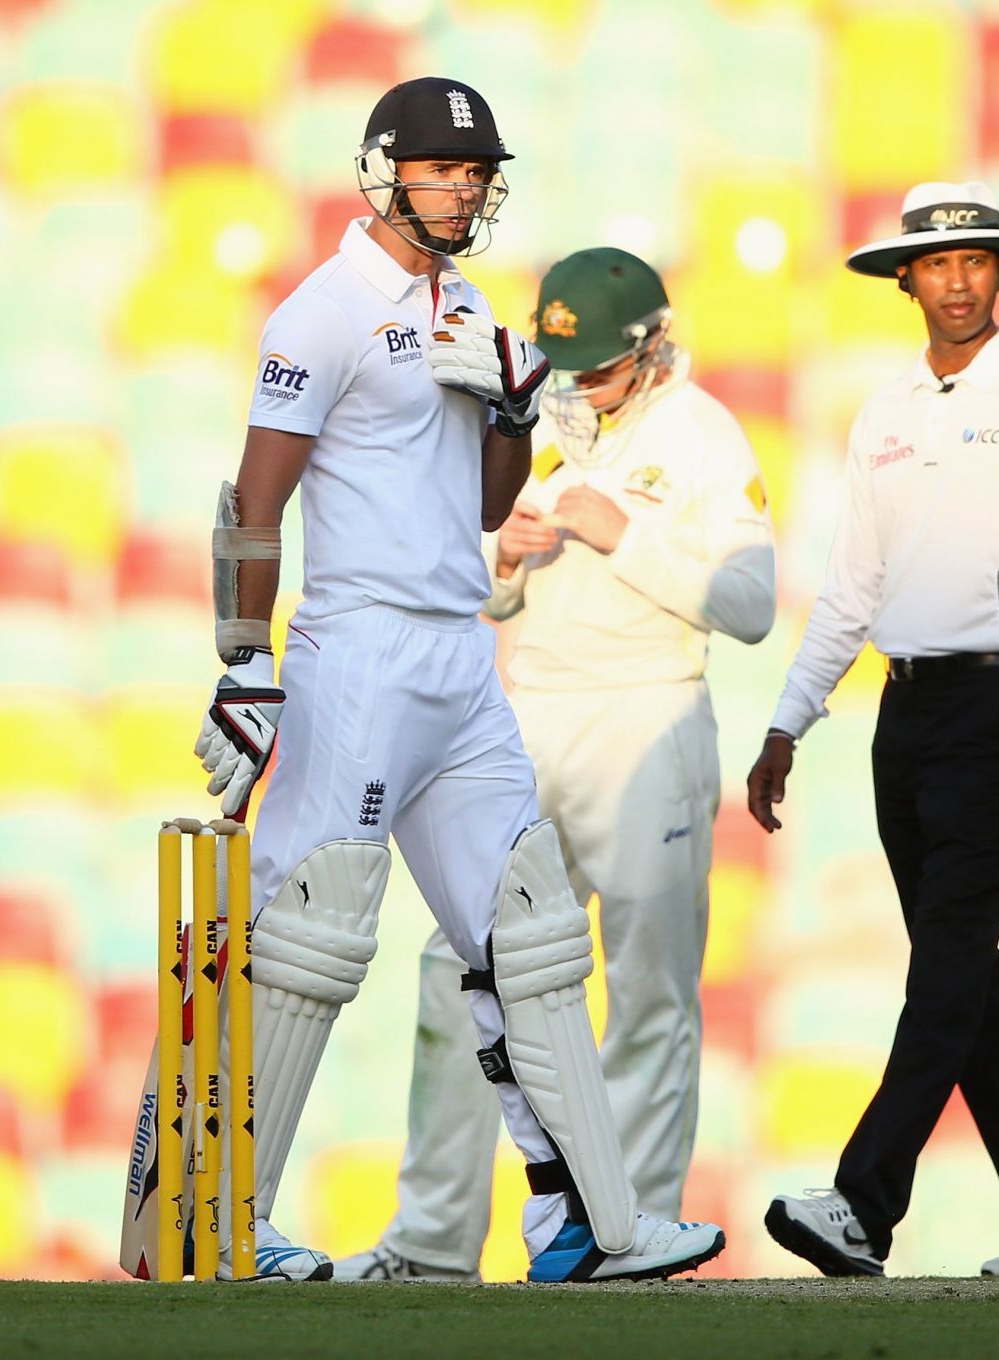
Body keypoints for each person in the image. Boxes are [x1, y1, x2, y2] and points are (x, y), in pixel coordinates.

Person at [171, 78, 723, 1283]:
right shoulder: (320, 315)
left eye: (476, 171)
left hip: (459, 655)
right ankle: (226, 1222)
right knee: (312, 930)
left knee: (526, 934)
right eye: (441, 168)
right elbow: (255, 501)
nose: (465, 187)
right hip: (358, 648)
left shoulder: (469, 304)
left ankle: (594, 1228)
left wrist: (518, 410)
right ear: (385, 171)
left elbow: (483, 504)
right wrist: (245, 660)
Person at [334, 248, 776, 1281]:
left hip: (647, 722)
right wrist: (505, 561)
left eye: (593, 369)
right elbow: (480, 602)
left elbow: (751, 607)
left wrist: (622, 534)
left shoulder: (702, 432)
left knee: (647, 985)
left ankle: (629, 1234)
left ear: (653, 347)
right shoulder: (529, 432)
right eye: (560, 364)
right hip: (526, 715)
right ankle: (433, 1241)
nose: (572, 389)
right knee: (459, 971)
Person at [750, 182, 999, 1278]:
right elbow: (849, 592)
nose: (957, 280)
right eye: (937, 264)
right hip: (903, 711)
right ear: (906, 278)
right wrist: (785, 723)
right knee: (961, 974)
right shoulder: (883, 415)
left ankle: (865, 1205)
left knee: (951, 966)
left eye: (976, 262)